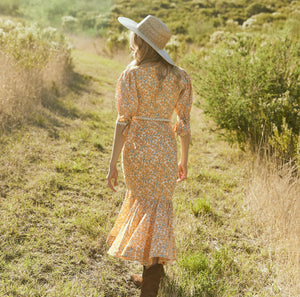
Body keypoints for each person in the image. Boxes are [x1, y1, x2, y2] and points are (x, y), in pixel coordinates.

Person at [106, 15, 192, 297]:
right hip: (165, 150)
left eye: (134, 37)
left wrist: (112, 165)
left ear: (140, 41)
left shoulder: (131, 74)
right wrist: (184, 160)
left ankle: (150, 286)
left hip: (137, 151)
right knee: (159, 210)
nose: (132, 42)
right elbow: (184, 124)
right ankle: (151, 277)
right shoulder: (180, 76)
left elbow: (123, 121)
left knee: (145, 209)